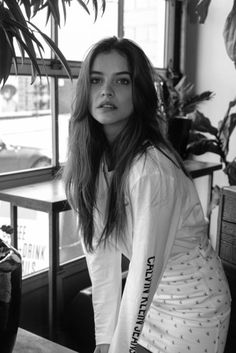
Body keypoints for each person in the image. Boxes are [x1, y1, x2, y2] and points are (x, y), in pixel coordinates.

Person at [63, 36, 231, 353]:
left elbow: (143, 268)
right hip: (149, 299)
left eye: (122, 81)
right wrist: (104, 338)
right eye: (96, 79)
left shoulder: (152, 171)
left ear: (139, 93)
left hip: (192, 306)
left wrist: (120, 347)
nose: (106, 91)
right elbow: (102, 257)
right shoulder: (90, 166)